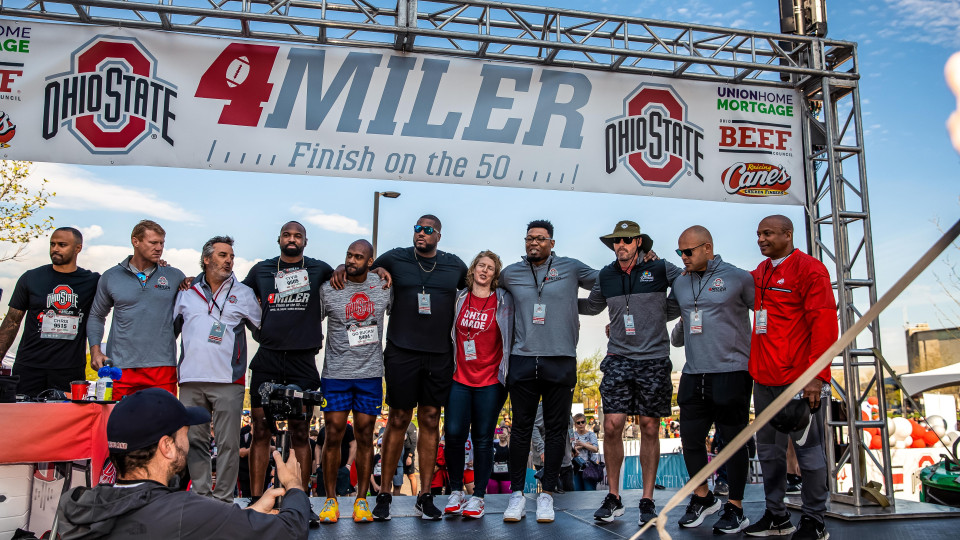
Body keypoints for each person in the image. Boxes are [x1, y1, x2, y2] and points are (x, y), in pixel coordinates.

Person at [56, 388, 310, 539]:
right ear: (166, 446)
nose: (187, 444)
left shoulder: (77, 503)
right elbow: (290, 531)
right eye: (183, 435)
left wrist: (247, 516)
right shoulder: (182, 510)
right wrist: (295, 486)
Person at [346, 215, 466, 521]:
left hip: (440, 353)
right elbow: (359, 270)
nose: (421, 233)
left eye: (427, 230)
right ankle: (384, 493)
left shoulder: (455, 265)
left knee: (429, 418)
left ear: (439, 235)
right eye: (417, 228)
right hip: (401, 350)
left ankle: (425, 495)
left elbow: (481, 288)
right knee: (398, 418)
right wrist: (351, 268)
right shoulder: (395, 258)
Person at [743, 215, 838, 540]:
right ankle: (776, 516)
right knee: (768, 452)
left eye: (768, 233)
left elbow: (824, 325)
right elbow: (731, 282)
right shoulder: (762, 272)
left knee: (809, 454)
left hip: (798, 383)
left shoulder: (810, 270)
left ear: (788, 233)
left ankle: (814, 521)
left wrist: (816, 376)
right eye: (758, 234)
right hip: (764, 381)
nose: (761, 239)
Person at [579, 220, 680, 525]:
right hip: (619, 356)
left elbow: (689, 281)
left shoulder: (660, 267)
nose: (620, 245)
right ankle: (614, 497)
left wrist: (663, 313)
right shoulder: (607, 274)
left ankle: (647, 500)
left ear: (639, 242)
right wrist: (559, 301)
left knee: (650, 426)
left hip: (654, 358)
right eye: (615, 241)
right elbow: (593, 307)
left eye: (626, 240)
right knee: (611, 425)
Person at [499, 219, 598, 523]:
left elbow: (606, 281)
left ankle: (547, 494)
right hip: (523, 358)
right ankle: (517, 495)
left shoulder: (570, 267)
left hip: (560, 358)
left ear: (551, 243)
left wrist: (576, 306)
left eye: (540, 238)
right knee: (521, 428)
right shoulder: (510, 273)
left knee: (557, 431)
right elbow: (481, 284)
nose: (534, 243)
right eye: (529, 238)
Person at [666, 225, 754, 533]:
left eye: (688, 251)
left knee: (733, 444)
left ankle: (736, 507)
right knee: (690, 440)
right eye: (679, 252)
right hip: (693, 373)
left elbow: (770, 313)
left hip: (732, 372)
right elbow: (677, 321)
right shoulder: (679, 282)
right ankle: (703, 498)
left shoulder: (739, 278)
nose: (683, 257)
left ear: (708, 248)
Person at [242, 221, 333, 504]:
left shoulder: (320, 269)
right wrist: (259, 330)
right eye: (287, 235)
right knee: (260, 429)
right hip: (267, 358)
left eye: (297, 236)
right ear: (278, 239)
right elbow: (237, 299)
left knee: (301, 431)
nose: (292, 239)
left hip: (303, 360)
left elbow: (347, 278)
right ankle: (257, 499)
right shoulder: (261, 269)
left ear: (305, 241)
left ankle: (299, 499)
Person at [173, 236, 261, 503]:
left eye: (231, 256)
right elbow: (170, 330)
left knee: (228, 445)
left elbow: (262, 332)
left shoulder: (243, 293)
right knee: (195, 443)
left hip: (228, 380)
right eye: (223, 255)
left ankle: (223, 499)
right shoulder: (186, 292)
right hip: (190, 380)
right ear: (207, 259)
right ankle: (200, 496)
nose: (229, 260)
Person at [316, 239, 391, 523]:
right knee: (333, 433)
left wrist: (383, 271)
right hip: (336, 374)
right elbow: (312, 320)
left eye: (359, 257)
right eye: (349, 255)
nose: (352, 260)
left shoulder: (383, 286)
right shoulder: (330, 288)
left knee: (364, 434)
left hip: (370, 373)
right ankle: (331, 500)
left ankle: (361, 499)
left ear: (370, 261)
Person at [443, 250, 514, 519]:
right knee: (453, 434)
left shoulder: (503, 300)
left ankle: (479, 496)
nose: (484, 271)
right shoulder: (459, 297)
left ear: (496, 274)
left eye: (490, 268)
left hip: (490, 381)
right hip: (459, 377)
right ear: (473, 269)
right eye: (481, 266)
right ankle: (456, 490)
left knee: (483, 439)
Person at [87, 220, 185, 398]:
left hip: (162, 366)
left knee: (162, 424)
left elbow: (186, 315)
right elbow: (96, 315)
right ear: (135, 241)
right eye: (153, 242)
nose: (159, 248)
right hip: (120, 367)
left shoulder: (175, 276)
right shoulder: (111, 276)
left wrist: (192, 280)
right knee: (119, 423)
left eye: (162, 243)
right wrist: (95, 350)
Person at [0, 228, 100, 396]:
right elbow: (12, 321)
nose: (55, 249)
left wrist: (157, 265)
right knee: (25, 418)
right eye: (52, 244)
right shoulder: (31, 278)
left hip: (69, 369)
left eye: (62, 245)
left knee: (66, 420)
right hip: (29, 366)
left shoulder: (93, 281)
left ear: (78, 248)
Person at [572, 413, 600, 491]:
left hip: (589, 468)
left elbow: (595, 449)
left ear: (585, 423)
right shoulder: (572, 435)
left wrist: (581, 444)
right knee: (577, 493)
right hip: (576, 468)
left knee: (589, 492)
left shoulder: (591, 434)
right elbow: (571, 450)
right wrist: (585, 445)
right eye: (578, 423)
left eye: (582, 422)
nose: (581, 424)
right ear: (575, 424)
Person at [488, 426, 511, 494]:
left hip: (506, 477)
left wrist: (508, 439)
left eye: (504, 433)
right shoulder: (494, 445)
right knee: (492, 497)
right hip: (493, 476)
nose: (502, 435)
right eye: (500, 433)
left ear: (508, 435)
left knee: (506, 497)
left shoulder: (510, 446)